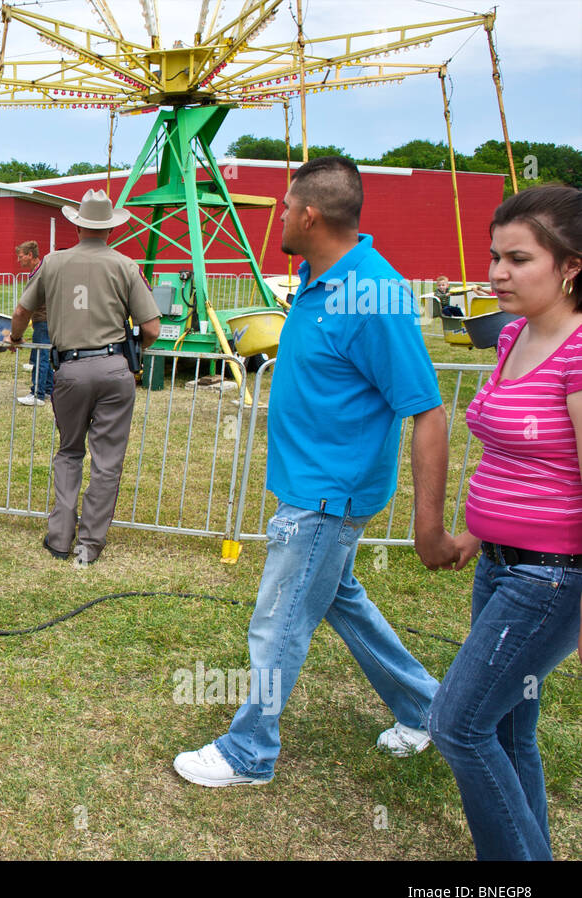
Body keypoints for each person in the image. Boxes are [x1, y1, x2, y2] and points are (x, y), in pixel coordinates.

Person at [173, 157, 460, 788]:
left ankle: (249, 752)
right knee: (336, 601)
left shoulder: (375, 295)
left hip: (330, 495)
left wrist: (429, 526)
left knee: (278, 619)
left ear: (309, 215)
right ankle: (426, 707)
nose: (276, 214)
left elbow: (428, 410)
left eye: (282, 206)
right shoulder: (314, 274)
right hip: (310, 486)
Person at [428, 185, 582, 860]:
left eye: (518, 259)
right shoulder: (514, 334)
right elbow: (513, 458)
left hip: (550, 581)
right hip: (498, 567)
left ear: (570, 265)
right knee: (510, 729)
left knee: (457, 726)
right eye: (495, 256)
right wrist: (476, 533)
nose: (496, 274)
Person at [8, 190, 161, 564]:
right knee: (107, 460)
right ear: (111, 228)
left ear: (76, 224)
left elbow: (22, 310)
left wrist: (15, 338)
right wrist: (135, 347)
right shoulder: (125, 265)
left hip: (70, 369)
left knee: (69, 451)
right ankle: (90, 544)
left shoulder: (52, 262)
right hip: (113, 367)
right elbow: (152, 326)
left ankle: (60, 536)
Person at [14, 240, 54, 407]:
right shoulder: (40, 270)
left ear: (30, 255)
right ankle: (47, 389)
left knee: (40, 356)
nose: (18, 260)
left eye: (20, 256)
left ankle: (37, 394)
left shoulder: (40, 272)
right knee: (44, 355)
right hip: (43, 320)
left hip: (44, 320)